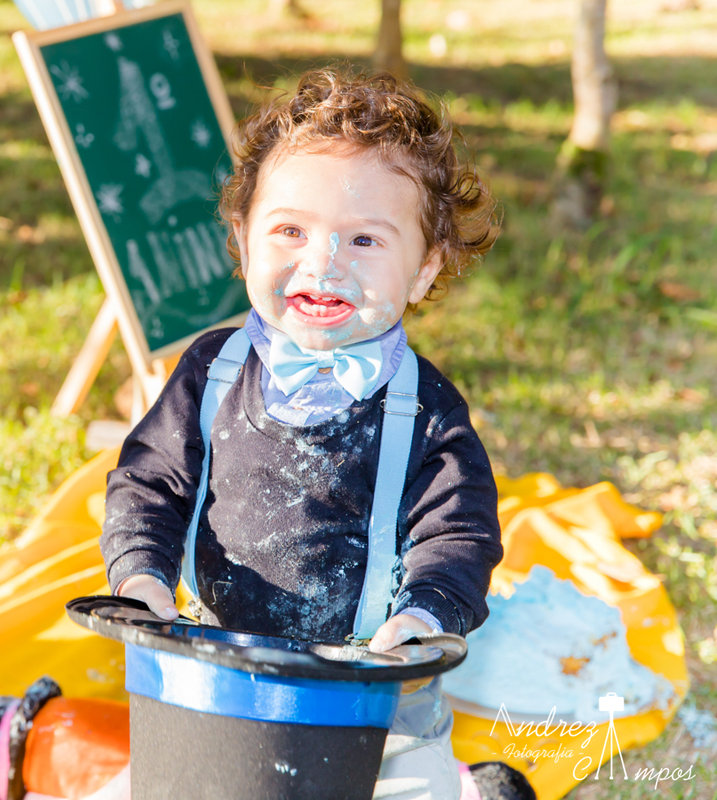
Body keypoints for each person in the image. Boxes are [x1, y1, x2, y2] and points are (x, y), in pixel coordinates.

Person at [99, 67, 526, 800]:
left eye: (363, 240)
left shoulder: (425, 411)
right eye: (291, 230)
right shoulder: (210, 371)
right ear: (242, 235)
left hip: (377, 703)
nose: (321, 263)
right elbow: (149, 482)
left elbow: (459, 534)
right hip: (220, 677)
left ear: (423, 270)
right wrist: (141, 574)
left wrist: (427, 614)